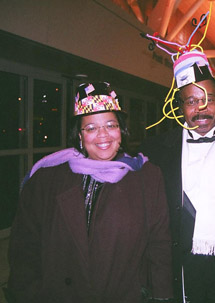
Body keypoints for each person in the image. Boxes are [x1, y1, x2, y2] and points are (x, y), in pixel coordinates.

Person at [7, 82, 173, 303]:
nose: (103, 135)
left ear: (121, 131)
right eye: (91, 128)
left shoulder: (147, 177)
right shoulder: (46, 180)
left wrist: (161, 297)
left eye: (110, 125)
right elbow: (24, 249)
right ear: (79, 135)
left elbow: (159, 245)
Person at [139, 50, 215, 303]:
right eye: (192, 101)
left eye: (209, 100)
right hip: (179, 268)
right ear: (180, 106)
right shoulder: (156, 151)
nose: (201, 109)